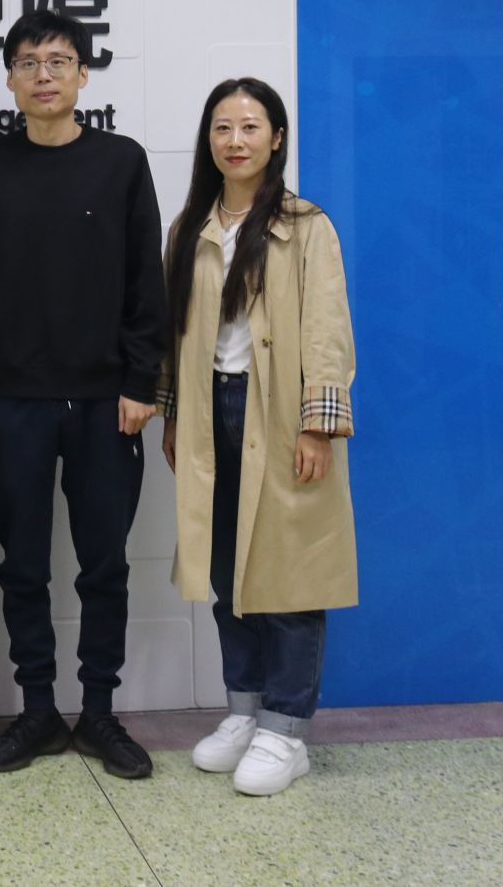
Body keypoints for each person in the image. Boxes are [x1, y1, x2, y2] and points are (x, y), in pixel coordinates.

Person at [0, 9, 164, 782]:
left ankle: (100, 709)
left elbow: (147, 282)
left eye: (58, 60)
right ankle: (38, 707)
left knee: (103, 563)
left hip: (107, 401)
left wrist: (141, 382)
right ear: (10, 79)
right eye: (28, 62)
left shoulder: (121, 161)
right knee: (22, 564)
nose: (43, 74)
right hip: (14, 399)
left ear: (83, 74)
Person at [159, 78, 357, 797]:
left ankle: (286, 727)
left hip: (276, 416)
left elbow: (327, 328)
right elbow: (175, 332)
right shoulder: (190, 228)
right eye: (222, 127)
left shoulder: (305, 225)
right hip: (209, 413)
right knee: (226, 575)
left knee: (289, 576)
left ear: (276, 138)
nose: (235, 140)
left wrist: (318, 424)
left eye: (249, 127)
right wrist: (173, 412)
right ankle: (244, 710)